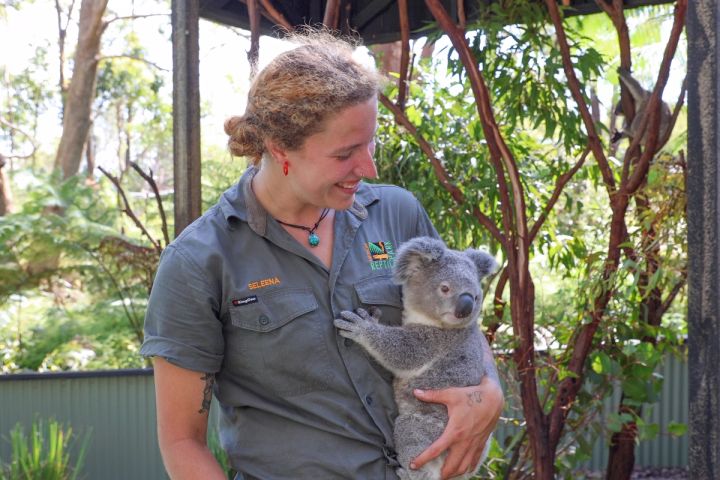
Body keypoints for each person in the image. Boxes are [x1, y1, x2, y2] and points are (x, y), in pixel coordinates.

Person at [140, 30, 503, 480]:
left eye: (370, 143)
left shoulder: (396, 214)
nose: (368, 167)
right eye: (346, 153)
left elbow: (458, 323)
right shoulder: (200, 261)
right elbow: (181, 441)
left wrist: (488, 393)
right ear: (280, 149)